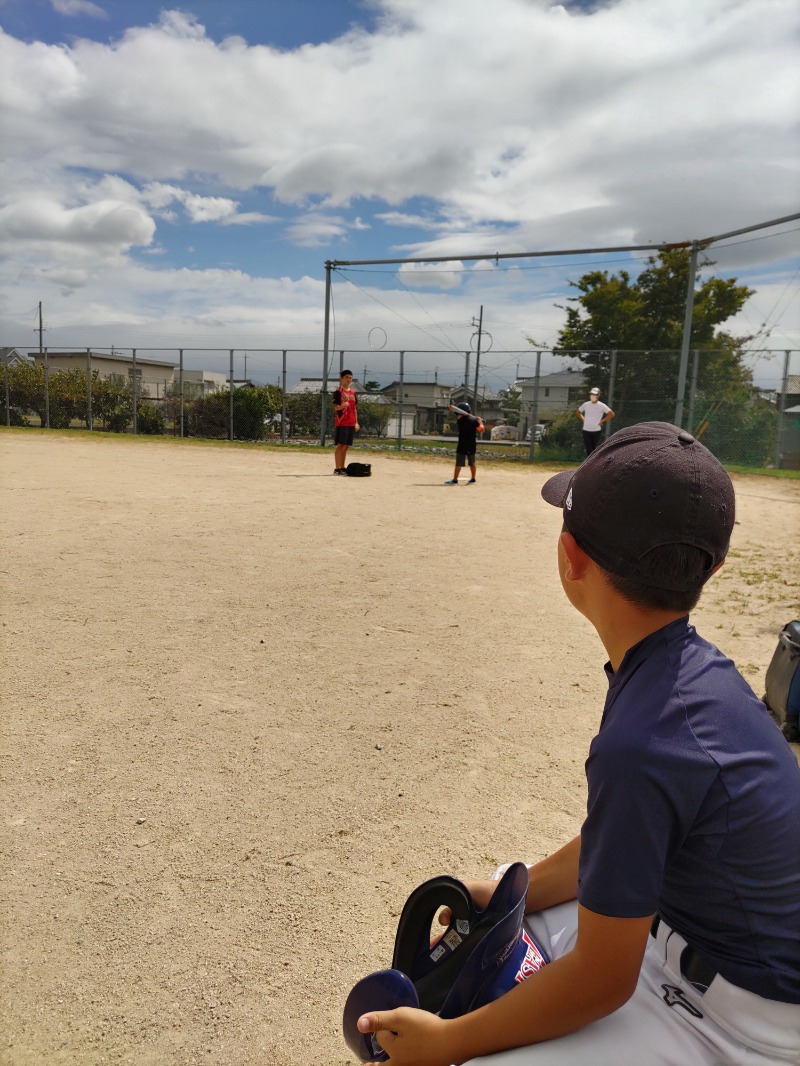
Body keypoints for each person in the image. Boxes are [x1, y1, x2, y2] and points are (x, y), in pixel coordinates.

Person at [356, 422, 800, 1066]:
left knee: (472, 1052)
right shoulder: (686, 670)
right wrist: (515, 890)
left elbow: (600, 982)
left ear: (570, 555)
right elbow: (620, 840)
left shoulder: (646, 738)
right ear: (715, 566)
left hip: (742, 1021)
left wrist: (446, 1044)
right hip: (682, 950)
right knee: (497, 946)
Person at [445, 402, 484, 485]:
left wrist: (452, 407)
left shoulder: (460, 420)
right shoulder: (473, 420)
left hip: (462, 444)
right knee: (472, 463)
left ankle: (455, 480)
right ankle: (473, 479)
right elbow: (481, 430)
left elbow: (453, 410)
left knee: (459, 463)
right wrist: (480, 421)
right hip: (472, 444)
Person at [332, 369, 360, 474]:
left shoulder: (353, 393)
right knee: (341, 445)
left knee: (346, 446)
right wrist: (342, 406)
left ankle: (343, 467)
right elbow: (336, 408)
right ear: (341, 378)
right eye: (346, 377)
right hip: (342, 422)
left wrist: (356, 422)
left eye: (350, 378)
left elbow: (355, 409)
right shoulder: (338, 392)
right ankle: (337, 468)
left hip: (351, 422)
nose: (348, 380)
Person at [577, 386, 614, 456]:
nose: (593, 396)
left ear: (598, 395)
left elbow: (611, 414)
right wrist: (583, 419)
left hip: (596, 430)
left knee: (594, 448)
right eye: (592, 394)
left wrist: (602, 421)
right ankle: (588, 463)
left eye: (595, 395)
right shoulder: (586, 404)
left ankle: (593, 463)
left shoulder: (601, 405)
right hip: (586, 430)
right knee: (588, 448)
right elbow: (578, 412)